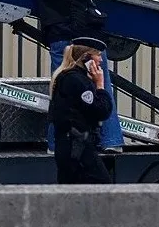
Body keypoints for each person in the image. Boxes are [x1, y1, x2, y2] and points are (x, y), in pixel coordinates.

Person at [33, 0, 124, 154]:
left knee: (60, 90)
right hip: (82, 40)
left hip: (58, 40)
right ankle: (111, 140)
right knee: (102, 84)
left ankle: (55, 144)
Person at [48, 37, 114, 184]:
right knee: (102, 184)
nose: (100, 61)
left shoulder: (73, 77)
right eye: (98, 55)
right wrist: (100, 85)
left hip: (73, 144)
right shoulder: (76, 80)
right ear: (87, 58)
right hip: (75, 147)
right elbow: (102, 110)